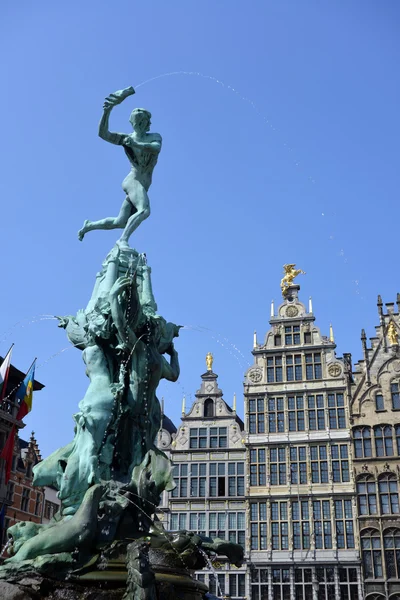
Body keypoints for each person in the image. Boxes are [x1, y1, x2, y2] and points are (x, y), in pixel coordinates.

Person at [78, 87, 162, 246]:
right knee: (144, 210)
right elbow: (103, 134)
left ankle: (89, 225)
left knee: (120, 222)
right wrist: (107, 110)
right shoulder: (126, 139)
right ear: (134, 123)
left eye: (145, 121)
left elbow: (156, 148)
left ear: (147, 124)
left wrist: (136, 143)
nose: (143, 123)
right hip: (133, 181)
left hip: (142, 184)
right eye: (140, 120)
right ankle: (122, 240)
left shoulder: (154, 137)